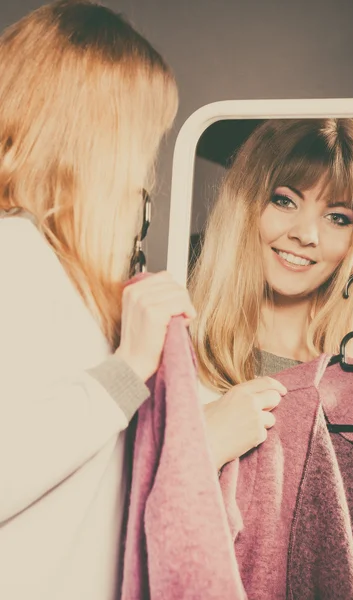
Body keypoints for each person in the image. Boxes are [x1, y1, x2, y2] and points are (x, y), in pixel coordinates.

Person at [0, 2, 195, 599]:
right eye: (142, 140)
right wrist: (126, 369)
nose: (144, 171)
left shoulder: (49, 263)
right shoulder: (14, 253)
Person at [188, 118, 353, 471]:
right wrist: (201, 448)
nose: (306, 234)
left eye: (337, 217)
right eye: (285, 201)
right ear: (245, 205)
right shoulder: (173, 351)